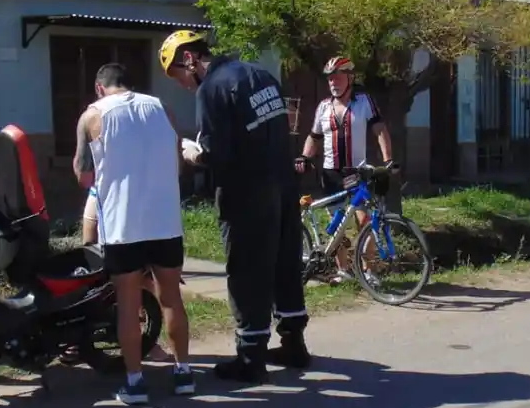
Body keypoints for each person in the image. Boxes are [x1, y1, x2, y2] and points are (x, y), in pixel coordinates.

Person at [159, 29, 310, 384]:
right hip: (284, 184)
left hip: (246, 192)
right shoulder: (261, 75)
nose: (182, 85)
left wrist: (193, 154)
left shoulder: (211, 89)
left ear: (189, 60)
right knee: (284, 264)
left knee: (247, 272)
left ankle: (250, 357)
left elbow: (216, 152)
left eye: (178, 76)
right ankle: (294, 343)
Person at [73, 62, 194, 404]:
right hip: (165, 221)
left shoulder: (92, 116)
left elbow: (84, 176)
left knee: (127, 304)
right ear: (129, 84)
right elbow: (178, 163)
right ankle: (183, 374)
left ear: (99, 88)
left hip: (122, 225)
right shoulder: (162, 109)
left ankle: (135, 382)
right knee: (171, 297)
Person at [295, 56, 394, 280]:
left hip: (356, 172)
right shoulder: (323, 107)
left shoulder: (364, 102)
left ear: (350, 78)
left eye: (338, 78)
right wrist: (304, 156)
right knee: (337, 224)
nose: (333, 83)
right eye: (330, 79)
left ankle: (370, 272)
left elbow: (380, 130)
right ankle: (343, 270)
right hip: (331, 173)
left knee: (364, 221)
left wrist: (388, 160)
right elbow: (314, 137)